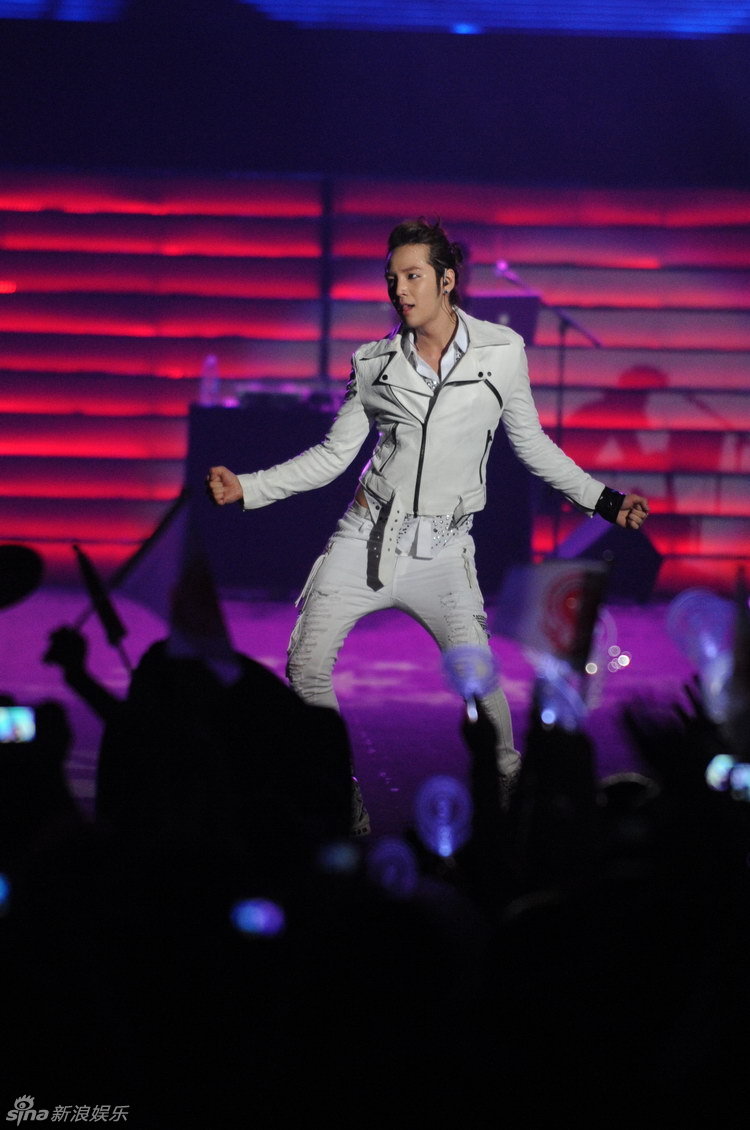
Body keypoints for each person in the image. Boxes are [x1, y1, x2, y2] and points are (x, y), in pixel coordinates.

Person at [207, 218, 649, 833]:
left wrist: (603, 500)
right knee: (305, 666)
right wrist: (250, 487)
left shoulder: (501, 351)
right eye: (392, 279)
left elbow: (532, 444)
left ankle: (510, 797)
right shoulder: (373, 363)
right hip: (366, 537)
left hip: (444, 550)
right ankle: (340, 799)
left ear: (447, 280)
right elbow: (333, 457)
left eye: (413, 276)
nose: (400, 290)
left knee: (477, 678)